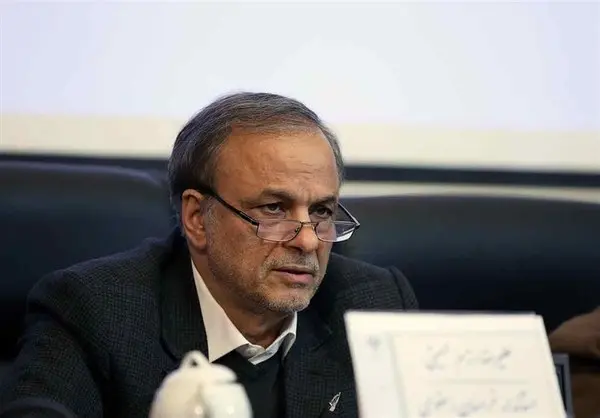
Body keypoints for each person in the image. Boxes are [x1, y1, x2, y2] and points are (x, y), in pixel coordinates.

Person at [0, 92, 418, 418]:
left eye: (321, 212)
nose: (308, 241)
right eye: (274, 209)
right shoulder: (95, 311)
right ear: (197, 218)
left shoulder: (373, 306)